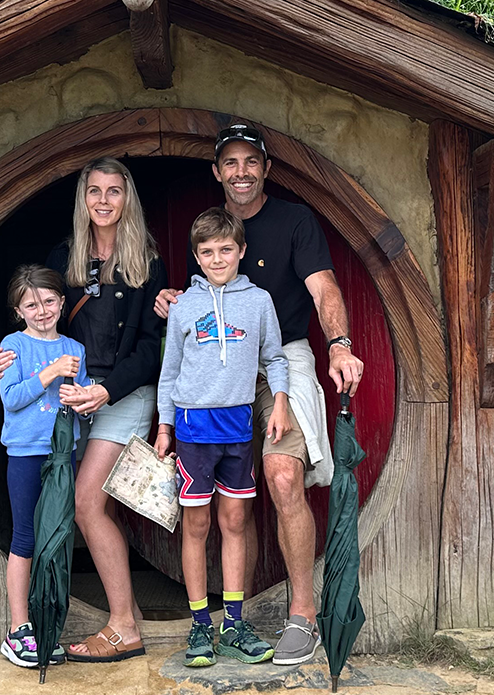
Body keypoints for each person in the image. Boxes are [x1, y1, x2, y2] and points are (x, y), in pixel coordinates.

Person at [155, 123, 367, 667]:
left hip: (282, 355)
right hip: (216, 368)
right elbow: (196, 305)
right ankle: (232, 619)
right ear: (217, 172)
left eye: (251, 162)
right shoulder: (210, 233)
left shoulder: (295, 220)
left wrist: (339, 346)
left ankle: (303, 616)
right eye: (231, 163)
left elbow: (324, 289)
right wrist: (171, 301)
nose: (241, 171)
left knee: (281, 473)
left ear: (266, 169)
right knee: (230, 498)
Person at [0, 157, 166, 663]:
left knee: (86, 503)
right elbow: (37, 329)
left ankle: (124, 626)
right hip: (70, 401)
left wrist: (106, 392)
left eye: (114, 191)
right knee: (70, 509)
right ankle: (45, 620)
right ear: (82, 200)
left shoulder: (148, 263)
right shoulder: (65, 256)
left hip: (120, 396)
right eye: (94, 191)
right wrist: (1, 358)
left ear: (128, 198)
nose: (104, 201)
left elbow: (152, 348)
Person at [155, 207, 292, 668]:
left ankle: (233, 623)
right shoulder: (183, 306)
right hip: (194, 429)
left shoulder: (258, 302)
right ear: (196, 255)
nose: (217, 259)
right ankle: (200, 626)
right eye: (207, 251)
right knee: (197, 526)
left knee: (235, 522)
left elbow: (275, 358)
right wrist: (164, 424)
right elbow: (169, 371)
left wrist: (283, 402)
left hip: (237, 427)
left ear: (242, 252)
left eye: (226, 250)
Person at [0, 264, 88, 669]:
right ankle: (18, 630)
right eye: (31, 304)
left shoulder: (75, 347)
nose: (42, 310)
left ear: (62, 302)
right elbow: (12, 398)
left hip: (62, 454)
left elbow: (82, 407)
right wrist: (51, 372)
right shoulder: (12, 345)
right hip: (25, 451)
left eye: (49, 301)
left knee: (57, 539)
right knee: (26, 538)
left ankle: (47, 625)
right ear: (19, 310)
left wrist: (79, 397)